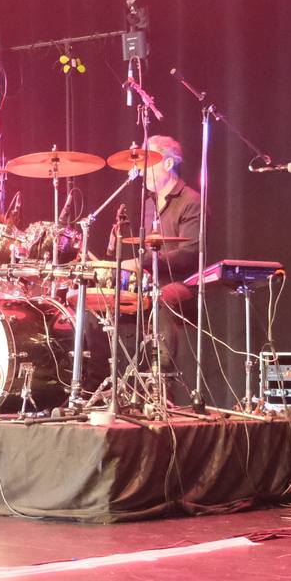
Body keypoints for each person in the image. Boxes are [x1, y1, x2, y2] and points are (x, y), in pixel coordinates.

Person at [120, 137, 203, 406]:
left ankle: (161, 387)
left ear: (168, 163)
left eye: (150, 162)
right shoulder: (148, 203)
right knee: (103, 298)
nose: (142, 170)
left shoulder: (191, 201)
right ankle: (108, 380)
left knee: (161, 297)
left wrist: (142, 262)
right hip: (150, 281)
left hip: (183, 284)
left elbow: (190, 253)